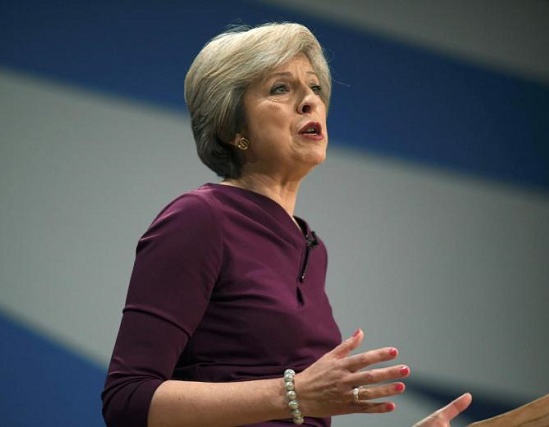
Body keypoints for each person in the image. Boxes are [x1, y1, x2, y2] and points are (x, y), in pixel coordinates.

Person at [101, 22, 472, 427]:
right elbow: (127, 400)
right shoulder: (200, 219)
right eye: (281, 88)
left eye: (314, 88)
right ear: (232, 129)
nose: (310, 101)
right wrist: (292, 393)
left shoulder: (311, 246)